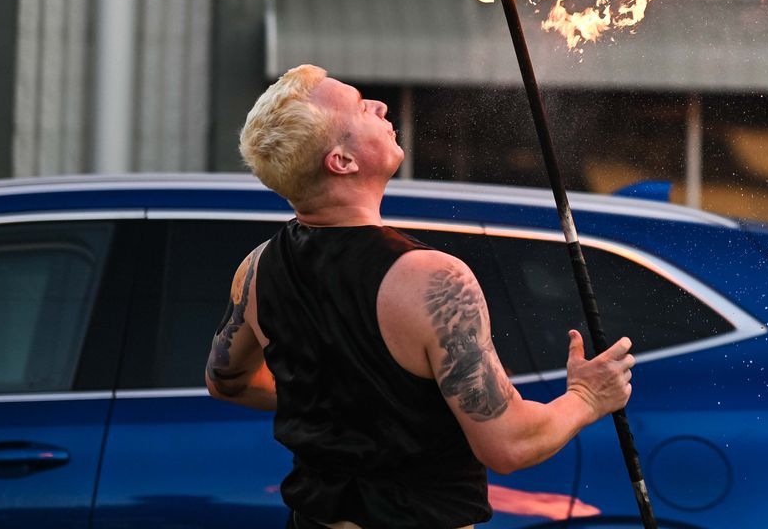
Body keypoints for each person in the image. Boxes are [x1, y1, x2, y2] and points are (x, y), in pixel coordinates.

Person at [205, 64, 633, 529]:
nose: (381, 105)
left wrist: (331, 400)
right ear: (342, 161)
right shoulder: (434, 280)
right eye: (360, 107)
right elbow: (509, 445)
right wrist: (588, 397)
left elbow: (227, 381)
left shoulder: (258, 269)